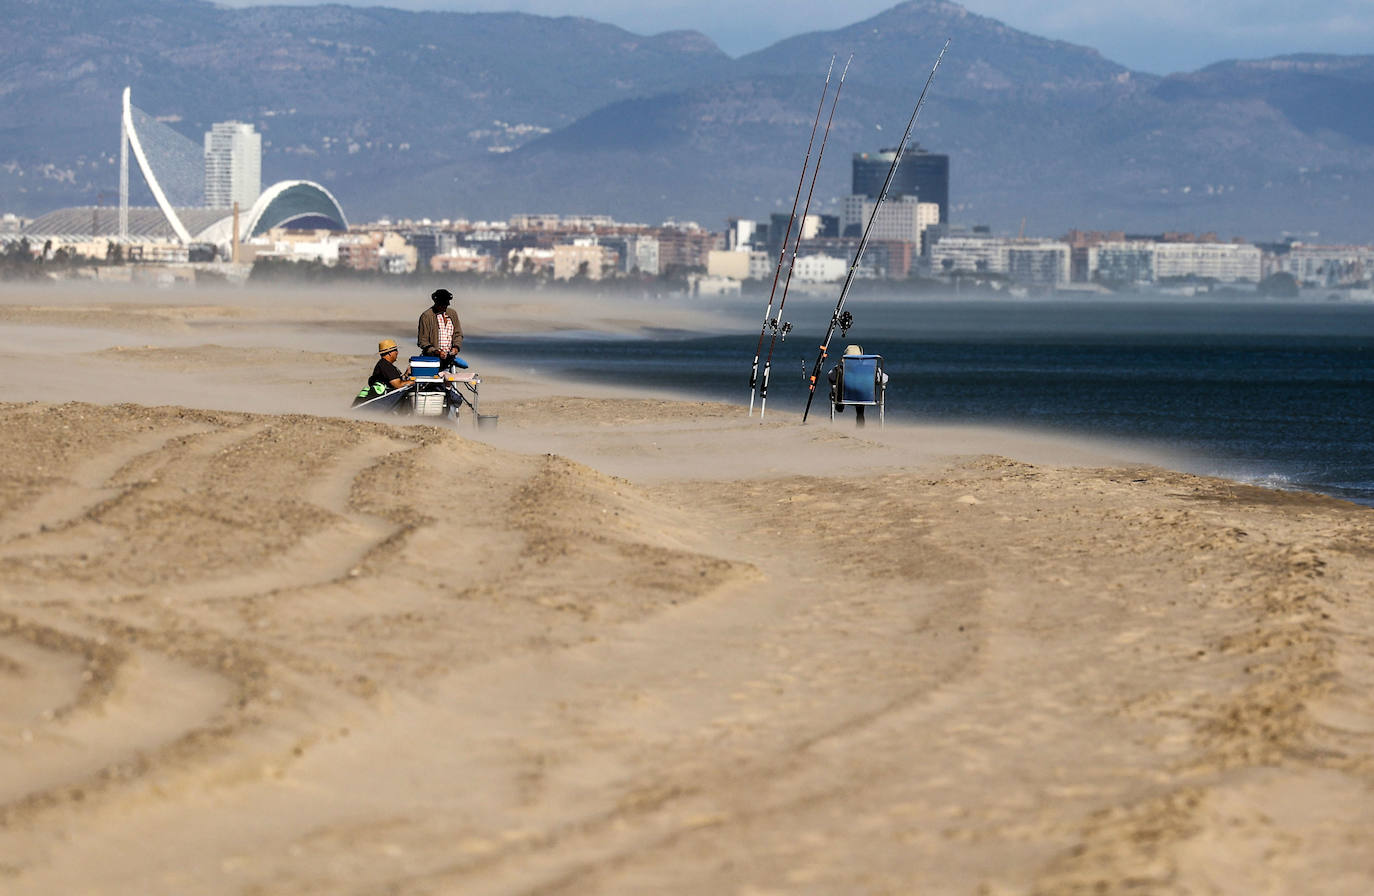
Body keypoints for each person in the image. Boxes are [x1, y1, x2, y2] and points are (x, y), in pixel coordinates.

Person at [828, 344, 887, 428]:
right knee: (861, 389)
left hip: (844, 398)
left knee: (838, 385)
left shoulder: (838, 369)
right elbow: (884, 379)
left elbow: (830, 377)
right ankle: (860, 417)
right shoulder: (872, 369)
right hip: (864, 398)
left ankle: (839, 404)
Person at [354, 338, 413, 405]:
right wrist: (414, 381)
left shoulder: (383, 364)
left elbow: (392, 381)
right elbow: (398, 385)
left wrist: (406, 374)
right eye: (395, 350)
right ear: (390, 353)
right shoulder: (386, 366)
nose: (397, 352)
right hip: (377, 402)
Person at [417, 287, 464, 371]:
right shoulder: (426, 316)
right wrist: (436, 352)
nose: (445, 306)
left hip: (450, 359)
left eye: (446, 304)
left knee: (449, 382)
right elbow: (422, 341)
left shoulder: (452, 314)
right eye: (442, 305)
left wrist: (456, 347)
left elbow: (458, 334)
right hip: (433, 360)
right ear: (436, 302)